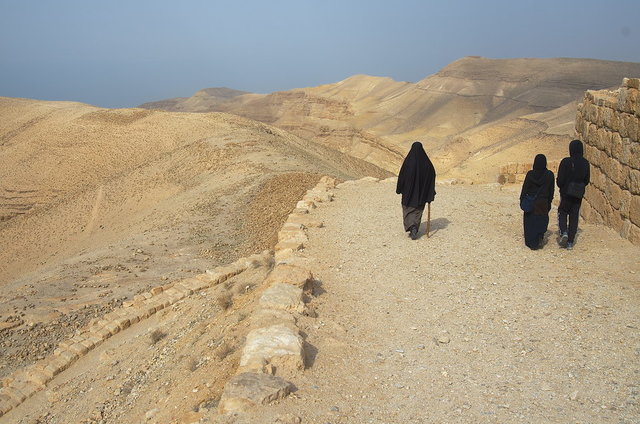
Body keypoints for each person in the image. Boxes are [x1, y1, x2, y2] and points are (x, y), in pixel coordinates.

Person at [396, 142, 436, 240]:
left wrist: (399, 188)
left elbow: (402, 176)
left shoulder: (408, 162)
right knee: (418, 210)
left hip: (408, 193)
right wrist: (430, 192)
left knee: (407, 209)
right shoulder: (427, 163)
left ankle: (411, 226)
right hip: (421, 194)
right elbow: (432, 176)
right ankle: (415, 227)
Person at [556, 139, 590, 249]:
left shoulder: (566, 161)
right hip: (578, 194)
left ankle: (564, 232)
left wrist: (562, 186)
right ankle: (570, 242)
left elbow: (560, 180)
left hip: (566, 193)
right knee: (574, 216)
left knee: (562, 211)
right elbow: (586, 180)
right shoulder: (585, 163)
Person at [520, 154, 555, 250]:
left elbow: (525, 189)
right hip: (543, 202)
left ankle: (531, 242)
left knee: (530, 222)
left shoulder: (530, 174)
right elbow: (551, 190)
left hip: (531, 202)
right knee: (541, 221)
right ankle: (539, 237)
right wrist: (549, 202)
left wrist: (522, 200)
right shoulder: (549, 175)